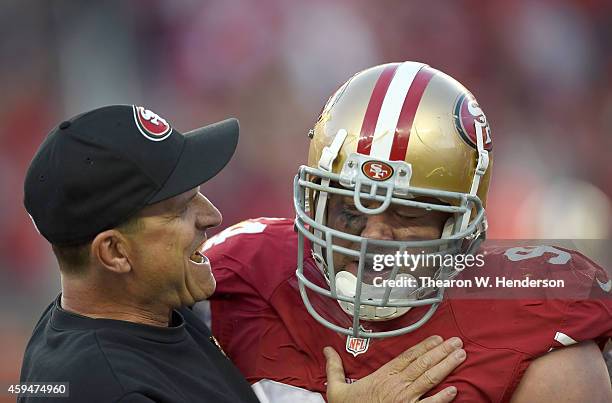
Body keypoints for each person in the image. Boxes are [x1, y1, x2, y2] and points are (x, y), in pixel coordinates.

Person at [202, 62, 612, 402]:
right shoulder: (238, 276)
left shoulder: (536, 322)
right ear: (316, 206)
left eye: (407, 215)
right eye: (350, 209)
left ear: (458, 223)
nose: (374, 237)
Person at [19, 104, 464, 403]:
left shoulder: (148, 311)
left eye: (200, 194)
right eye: (180, 209)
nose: (212, 216)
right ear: (114, 252)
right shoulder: (99, 387)